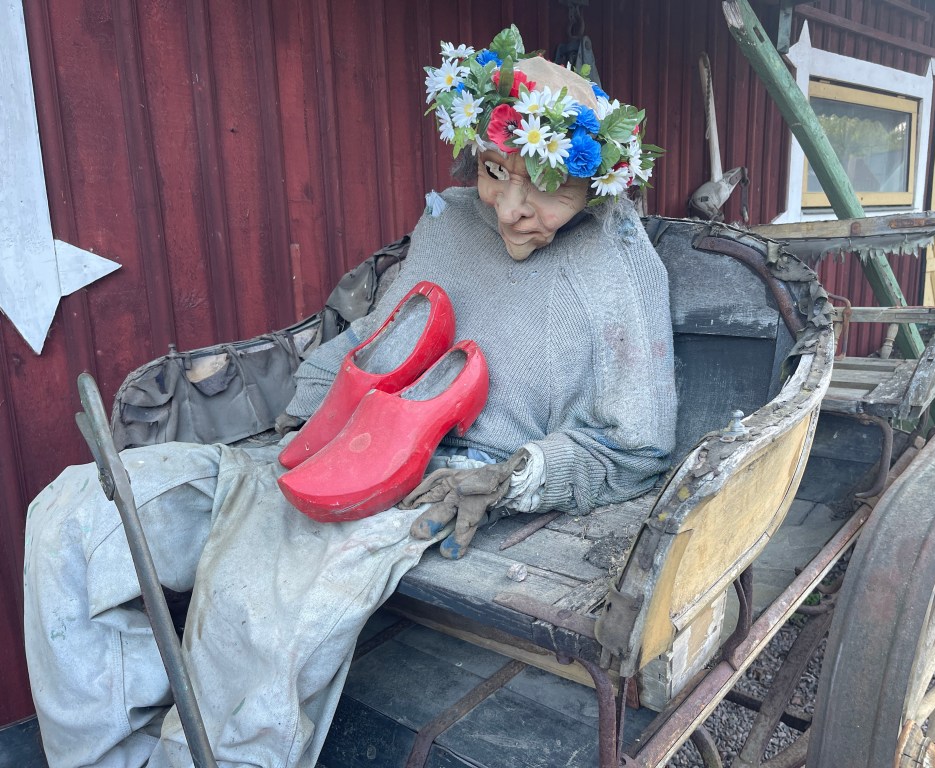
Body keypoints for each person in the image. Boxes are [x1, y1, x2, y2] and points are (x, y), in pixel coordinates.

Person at [23, 25, 676, 768]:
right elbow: (378, 336)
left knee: (252, 606)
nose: (510, 209)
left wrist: (511, 479)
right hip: (327, 443)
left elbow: (634, 446)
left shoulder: (616, 265)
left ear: (594, 185)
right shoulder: (451, 222)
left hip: (428, 487)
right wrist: (302, 414)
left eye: (548, 187)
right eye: (496, 170)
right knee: (72, 516)